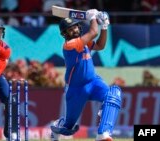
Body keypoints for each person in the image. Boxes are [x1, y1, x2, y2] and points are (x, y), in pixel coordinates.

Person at [50, 10, 122, 141]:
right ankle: (58, 126)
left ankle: (103, 133)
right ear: (65, 34)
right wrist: (92, 17)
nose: (75, 30)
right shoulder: (70, 45)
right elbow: (93, 32)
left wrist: (104, 26)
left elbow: (100, 46)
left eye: (76, 26)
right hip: (76, 89)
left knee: (113, 95)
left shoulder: (83, 42)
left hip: (94, 82)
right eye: (70, 29)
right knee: (69, 128)